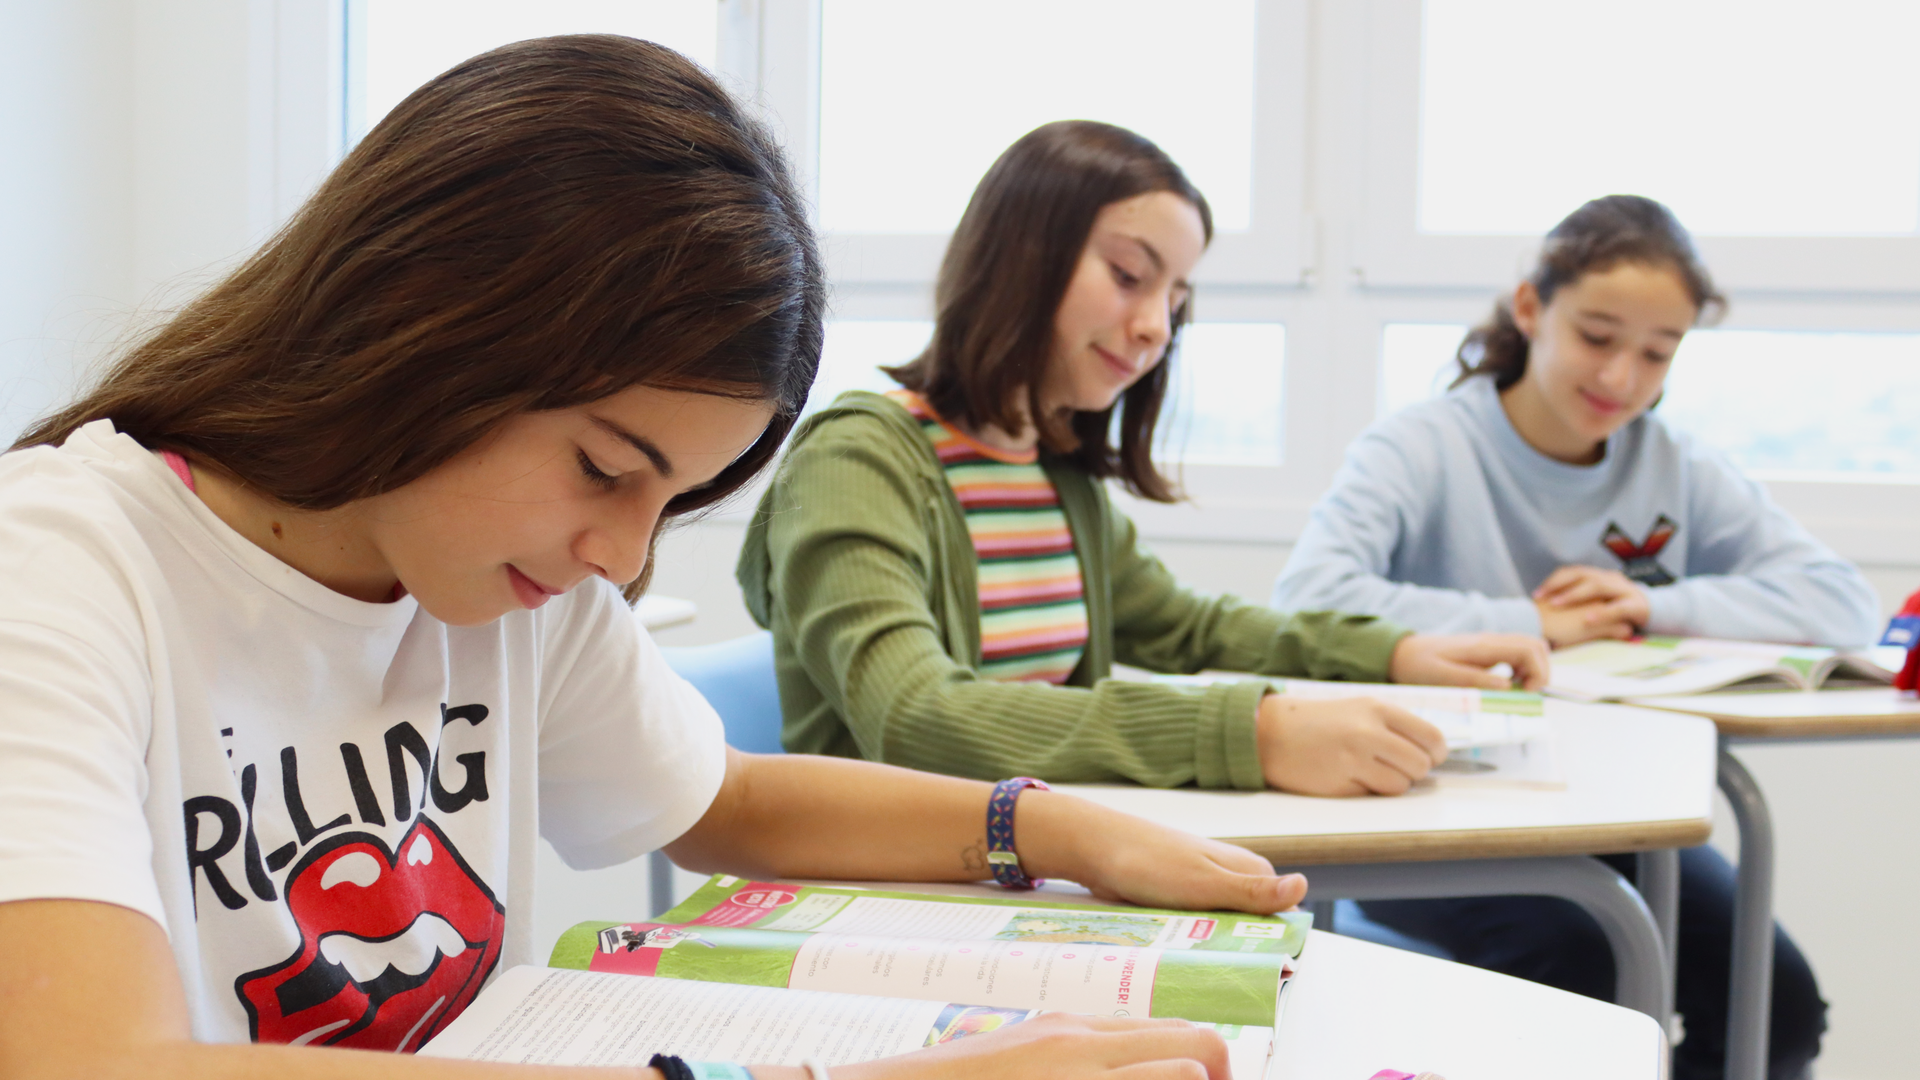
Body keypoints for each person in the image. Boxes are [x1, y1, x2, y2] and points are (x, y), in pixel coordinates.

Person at [0, 38, 1319, 1080]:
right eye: (602, 466)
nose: (619, 554)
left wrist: (1046, 825)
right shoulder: (62, 567)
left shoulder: (500, 580)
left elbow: (722, 799)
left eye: (672, 497)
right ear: (424, 327)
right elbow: (89, 1063)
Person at [736, 120, 1548, 801]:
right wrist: (1251, 732)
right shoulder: (856, 458)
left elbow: (1191, 627)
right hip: (878, 885)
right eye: (1130, 276)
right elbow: (915, 714)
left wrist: (1396, 653)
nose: (1158, 326)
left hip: (1024, 862)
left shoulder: (1055, 477)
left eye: (1177, 299)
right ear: (1020, 256)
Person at [1272, 195, 1862, 1079]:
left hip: (1623, 810)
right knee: (1580, 964)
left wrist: (1651, 603)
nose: (1623, 377)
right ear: (1529, 309)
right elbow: (1305, 602)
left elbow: (1839, 602)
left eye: (1658, 354)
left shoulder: (1672, 462)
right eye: (1597, 335)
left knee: (1775, 1006)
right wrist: (1528, 624)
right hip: (1436, 811)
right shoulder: (1423, 446)